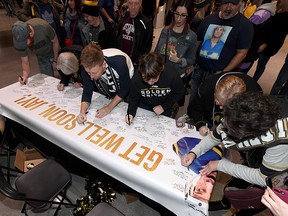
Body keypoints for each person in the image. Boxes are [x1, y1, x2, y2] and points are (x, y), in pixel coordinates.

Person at [181, 92, 288, 214]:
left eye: (229, 130)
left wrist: (220, 165)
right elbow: (215, 137)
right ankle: (224, 204)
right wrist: (194, 153)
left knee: (254, 199)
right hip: (259, 154)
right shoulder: (241, 114)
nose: (223, 127)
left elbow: (262, 178)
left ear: (247, 134)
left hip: (279, 171)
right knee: (235, 185)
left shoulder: (280, 144)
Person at [188, 0, 253, 111]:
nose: (228, 7)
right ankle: (190, 114)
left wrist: (223, 72)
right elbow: (198, 42)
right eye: (226, 3)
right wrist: (192, 62)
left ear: (240, 4)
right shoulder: (209, 19)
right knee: (194, 95)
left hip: (218, 72)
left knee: (210, 101)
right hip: (199, 68)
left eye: (233, 4)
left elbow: (242, 53)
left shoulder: (244, 25)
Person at [178, 72, 262, 135]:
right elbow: (195, 108)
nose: (221, 108)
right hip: (209, 115)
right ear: (215, 92)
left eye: (225, 105)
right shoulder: (206, 88)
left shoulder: (254, 99)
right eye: (218, 101)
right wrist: (201, 124)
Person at [76, 44, 132, 122]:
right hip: (106, 76)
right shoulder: (87, 67)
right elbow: (87, 92)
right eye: (89, 72)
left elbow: (125, 88)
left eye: (94, 72)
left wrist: (109, 108)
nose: (91, 77)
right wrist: (82, 112)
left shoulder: (119, 63)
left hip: (128, 74)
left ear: (103, 64)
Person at [125, 52, 185, 124]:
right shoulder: (136, 78)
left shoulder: (171, 75)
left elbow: (179, 92)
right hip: (144, 104)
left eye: (154, 79)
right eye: (146, 79)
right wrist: (130, 113)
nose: (150, 82)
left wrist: (164, 106)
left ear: (160, 71)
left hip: (165, 105)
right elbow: (133, 98)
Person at [155, 0, 197, 78]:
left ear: (188, 16)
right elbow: (156, 52)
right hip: (161, 74)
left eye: (183, 15)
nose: (178, 18)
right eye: (177, 14)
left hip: (177, 76)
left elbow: (191, 60)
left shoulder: (192, 36)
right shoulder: (165, 31)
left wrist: (178, 60)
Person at [11, 18, 60, 84]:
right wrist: (25, 76)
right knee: (48, 81)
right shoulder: (19, 39)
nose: (24, 45)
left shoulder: (43, 27)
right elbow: (25, 62)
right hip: (41, 56)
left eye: (25, 42)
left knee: (66, 78)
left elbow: (56, 42)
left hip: (54, 52)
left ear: (30, 34)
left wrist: (55, 60)